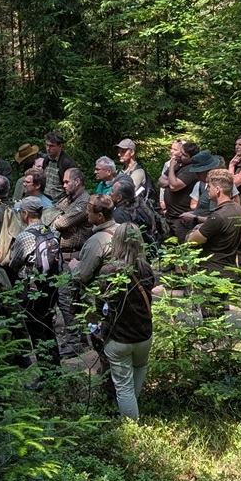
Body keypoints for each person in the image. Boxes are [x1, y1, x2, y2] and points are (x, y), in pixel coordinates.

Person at [92, 225, 155, 420]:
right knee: (139, 368)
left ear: (116, 242)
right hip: (144, 335)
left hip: (118, 338)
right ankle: (130, 409)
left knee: (123, 387)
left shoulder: (108, 271)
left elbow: (100, 307)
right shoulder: (146, 269)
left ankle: (130, 425)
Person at [5, 196, 60, 365]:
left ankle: (45, 373)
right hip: (51, 287)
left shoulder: (24, 237)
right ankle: (55, 368)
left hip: (31, 290)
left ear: (25, 213)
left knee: (36, 331)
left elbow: (14, 264)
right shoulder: (52, 232)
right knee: (49, 327)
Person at [186, 169, 241, 275]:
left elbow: (192, 241)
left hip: (213, 271)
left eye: (209, 186)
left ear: (217, 189)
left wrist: (194, 231)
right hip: (230, 268)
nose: (207, 189)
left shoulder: (217, 216)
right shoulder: (237, 208)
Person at [71, 195, 121, 293]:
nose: (86, 213)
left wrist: (74, 266)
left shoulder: (97, 241)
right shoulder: (121, 230)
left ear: (100, 216)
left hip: (98, 295)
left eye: (89, 211)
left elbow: (82, 276)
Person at [39, 132, 79, 201]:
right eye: (46, 145)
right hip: (45, 199)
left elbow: (75, 187)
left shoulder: (67, 163)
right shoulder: (47, 159)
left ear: (60, 146)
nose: (48, 148)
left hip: (60, 201)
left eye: (52, 146)